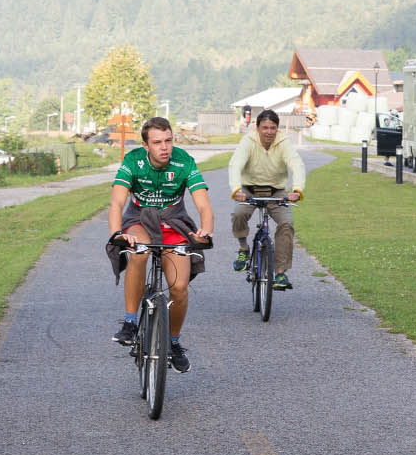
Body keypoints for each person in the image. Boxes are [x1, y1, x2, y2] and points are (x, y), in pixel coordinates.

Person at [107, 116, 214, 373]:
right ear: (146, 145)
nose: (164, 147)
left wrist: (205, 230)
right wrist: (117, 233)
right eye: (157, 142)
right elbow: (117, 203)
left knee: (179, 288)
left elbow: (204, 205)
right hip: (140, 221)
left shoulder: (184, 161)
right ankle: (130, 323)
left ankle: (173, 343)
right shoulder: (133, 161)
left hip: (173, 223)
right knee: (139, 252)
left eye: (168, 140)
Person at [228, 108, 305, 291]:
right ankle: (243, 249)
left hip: (276, 191)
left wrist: (297, 190)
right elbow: (235, 164)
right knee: (238, 214)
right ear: (257, 128)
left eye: (273, 128)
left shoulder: (283, 142)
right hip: (249, 190)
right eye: (265, 128)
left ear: (277, 128)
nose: (269, 132)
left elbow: (297, 164)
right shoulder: (248, 141)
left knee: (286, 224)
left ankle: (280, 273)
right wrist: (236, 190)